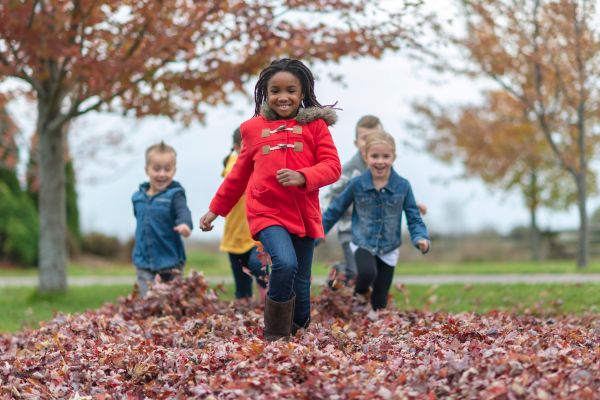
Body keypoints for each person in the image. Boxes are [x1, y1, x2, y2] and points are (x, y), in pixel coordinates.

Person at [199, 58, 341, 341]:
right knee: (285, 263)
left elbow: (333, 167)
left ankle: (298, 332)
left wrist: (304, 176)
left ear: (302, 94)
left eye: (291, 90)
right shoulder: (252, 129)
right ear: (265, 93)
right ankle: (274, 336)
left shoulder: (316, 128)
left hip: (303, 213)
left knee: (301, 284)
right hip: (267, 211)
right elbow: (238, 175)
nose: (283, 97)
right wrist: (215, 210)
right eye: (275, 90)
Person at [322, 131, 430, 310]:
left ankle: (373, 324)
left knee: (380, 301)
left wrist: (420, 238)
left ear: (393, 157)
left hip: (389, 248)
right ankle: (358, 301)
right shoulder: (357, 184)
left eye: (386, 156)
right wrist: (319, 232)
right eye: (375, 156)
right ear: (366, 157)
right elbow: (335, 209)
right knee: (366, 273)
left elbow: (413, 217)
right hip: (362, 242)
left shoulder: (403, 186)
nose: (380, 161)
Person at [131, 141, 193, 297]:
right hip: (144, 260)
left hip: (170, 262)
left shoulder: (175, 195)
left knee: (172, 300)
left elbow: (183, 211)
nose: (162, 174)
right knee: (149, 300)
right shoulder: (137, 198)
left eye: (167, 169)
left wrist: (185, 225)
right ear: (147, 170)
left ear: (174, 170)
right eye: (156, 169)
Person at [220, 127, 269, 303]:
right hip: (235, 234)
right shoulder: (233, 163)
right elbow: (235, 179)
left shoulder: (262, 161)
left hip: (256, 232)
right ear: (236, 147)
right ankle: (244, 310)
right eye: (245, 146)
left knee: (258, 266)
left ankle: (268, 299)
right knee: (242, 284)